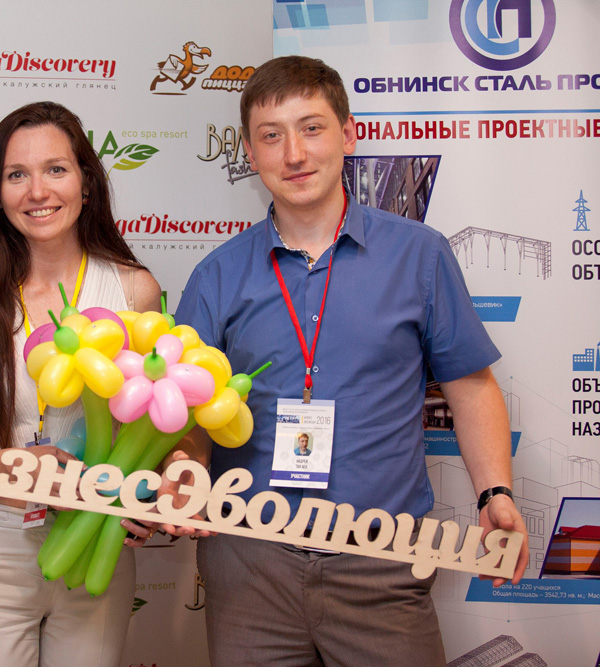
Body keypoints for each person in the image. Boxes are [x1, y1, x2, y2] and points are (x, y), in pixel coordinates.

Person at [168, 56, 530, 666]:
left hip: (383, 563)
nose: (294, 154)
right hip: (249, 565)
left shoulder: (420, 255)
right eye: (271, 136)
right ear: (250, 153)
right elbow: (189, 407)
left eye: (311, 128)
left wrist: (494, 491)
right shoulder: (217, 275)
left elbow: (470, 386)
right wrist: (186, 462)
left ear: (349, 133)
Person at [0, 101, 161, 667]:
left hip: (95, 542)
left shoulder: (133, 291)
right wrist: (17, 470)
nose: (38, 191)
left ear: (86, 182)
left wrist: (144, 495)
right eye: (16, 175)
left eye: (56, 169)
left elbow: (153, 428)